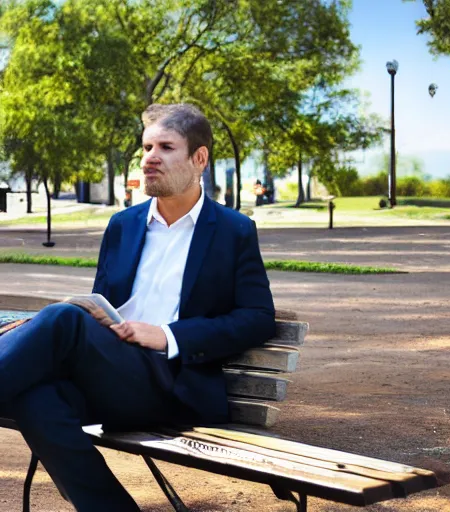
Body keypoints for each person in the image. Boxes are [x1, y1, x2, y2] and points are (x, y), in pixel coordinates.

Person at [0, 103, 275, 511]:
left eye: (165, 147)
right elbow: (97, 308)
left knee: (61, 318)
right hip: (110, 371)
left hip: (170, 382)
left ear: (199, 158)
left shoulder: (233, 231)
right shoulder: (123, 225)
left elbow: (257, 318)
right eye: (146, 147)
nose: (150, 158)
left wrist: (167, 335)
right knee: (38, 399)